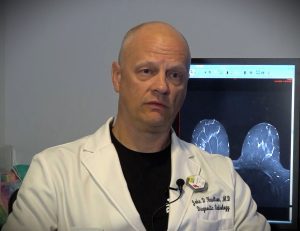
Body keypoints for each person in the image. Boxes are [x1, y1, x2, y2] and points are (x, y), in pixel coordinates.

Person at [2, 21, 270, 231]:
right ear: (117, 78)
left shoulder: (222, 176)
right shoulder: (53, 172)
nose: (162, 86)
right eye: (146, 71)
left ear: (185, 88)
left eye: (175, 75)